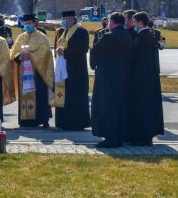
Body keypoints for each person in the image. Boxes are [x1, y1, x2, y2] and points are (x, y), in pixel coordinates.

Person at [90, 12, 132, 148]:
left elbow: (96, 52)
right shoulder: (127, 35)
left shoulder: (108, 37)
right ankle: (118, 136)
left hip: (107, 77)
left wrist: (94, 63)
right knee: (119, 107)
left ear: (113, 22)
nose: (108, 24)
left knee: (107, 106)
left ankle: (109, 137)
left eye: (109, 21)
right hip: (123, 75)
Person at [9, 13, 54, 130]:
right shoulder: (21, 37)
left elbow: (46, 54)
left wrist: (31, 56)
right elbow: (13, 54)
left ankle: (43, 120)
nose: (27, 25)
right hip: (23, 72)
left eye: (29, 23)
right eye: (26, 23)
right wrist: (20, 57)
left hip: (38, 73)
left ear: (35, 24)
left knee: (40, 96)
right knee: (25, 95)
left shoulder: (42, 37)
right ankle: (25, 121)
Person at [126, 12, 164, 145]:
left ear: (140, 23)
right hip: (148, 78)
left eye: (135, 22)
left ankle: (142, 137)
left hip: (142, 78)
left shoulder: (143, 36)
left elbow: (138, 60)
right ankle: (143, 136)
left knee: (143, 108)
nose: (134, 25)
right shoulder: (149, 35)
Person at [54, 10, 91, 131]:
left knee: (75, 97)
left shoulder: (81, 31)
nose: (63, 21)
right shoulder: (63, 32)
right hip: (63, 68)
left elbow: (83, 49)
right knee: (64, 95)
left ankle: (76, 123)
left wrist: (65, 52)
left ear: (72, 19)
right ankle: (63, 122)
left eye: (65, 19)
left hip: (76, 70)